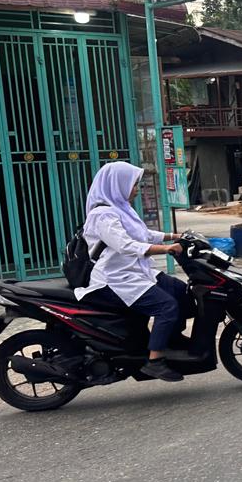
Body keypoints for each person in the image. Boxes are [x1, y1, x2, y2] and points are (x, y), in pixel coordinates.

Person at [73, 162, 187, 382]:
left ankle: (171, 339)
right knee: (166, 306)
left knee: (181, 291)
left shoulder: (122, 208)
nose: (136, 189)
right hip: (116, 279)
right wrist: (165, 249)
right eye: (133, 184)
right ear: (118, 184)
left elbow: (143, 234)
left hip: (136, 271)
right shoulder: (102, 215)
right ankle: (154, 361)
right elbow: (125, 245)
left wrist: (174, 236)